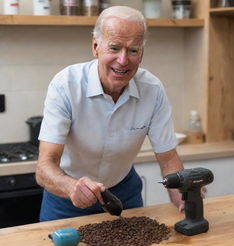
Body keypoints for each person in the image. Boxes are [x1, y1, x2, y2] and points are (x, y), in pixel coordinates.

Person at [36, 5, 184, 222]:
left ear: (141, 53)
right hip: (66, 194)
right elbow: (45, 166)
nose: (123, 60)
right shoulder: (66, 84)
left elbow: (168, 158)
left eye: (133, 50)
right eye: (114, 48)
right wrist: (71, 187)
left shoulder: (152, 89)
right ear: (96, 47)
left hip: (124, 192)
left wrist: (181, 194)